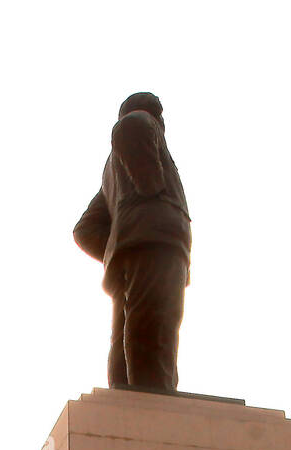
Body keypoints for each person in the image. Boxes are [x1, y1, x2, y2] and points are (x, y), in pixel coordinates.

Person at [74, 91, 191, 392]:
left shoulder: (110, 174)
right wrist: (151, 188)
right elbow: (130, 130)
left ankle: (129, 399)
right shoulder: (139, 122)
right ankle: (152, 401)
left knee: (133, 329)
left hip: (137, 247)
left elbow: (84, 229)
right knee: (156, 326)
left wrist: (116, 248)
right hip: (157, 243)